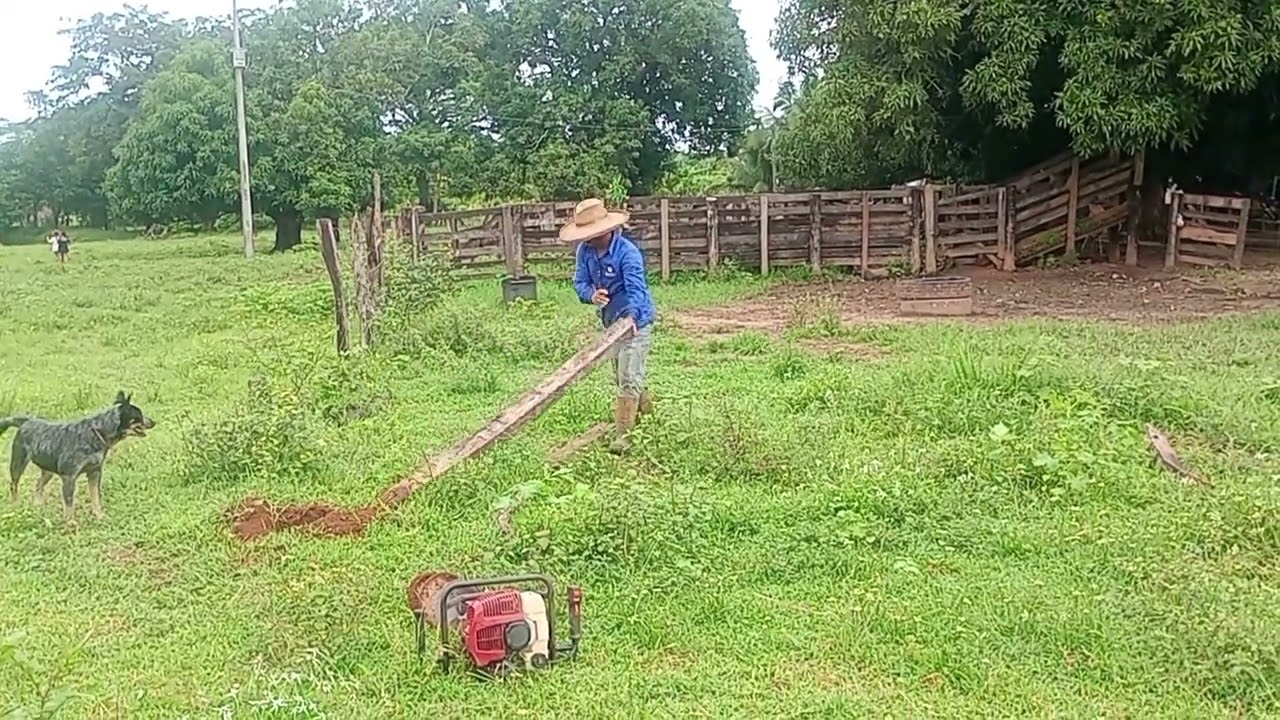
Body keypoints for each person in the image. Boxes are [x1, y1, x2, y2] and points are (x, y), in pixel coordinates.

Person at [563, 198, 656, 455]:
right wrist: (592, 295)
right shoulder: (585, 252)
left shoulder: (628, 253)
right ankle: (649, 416)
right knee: (624, 375)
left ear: (606, 230)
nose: (588, 239)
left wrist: (633, 318)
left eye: (591, 234)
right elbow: (579, 283)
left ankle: (623, 438)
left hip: (637, 322)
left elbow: (638, 289)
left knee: (627, 376)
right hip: (611, 323)